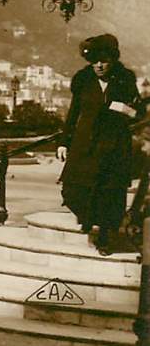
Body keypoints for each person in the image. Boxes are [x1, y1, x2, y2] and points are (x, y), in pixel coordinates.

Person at [58, 34, 143, 255]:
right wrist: (63, 143)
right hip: (85, 144)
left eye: (103, 60)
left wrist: (124, 110)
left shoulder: (125, 79)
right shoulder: (83, 80)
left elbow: (139, 112)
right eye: (94, 60)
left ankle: (104, 236)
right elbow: (74, 113)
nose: (99, 65)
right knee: (73, 189)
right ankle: (90, 220)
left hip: (114, 146)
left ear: (113, 60)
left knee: (110, 192)